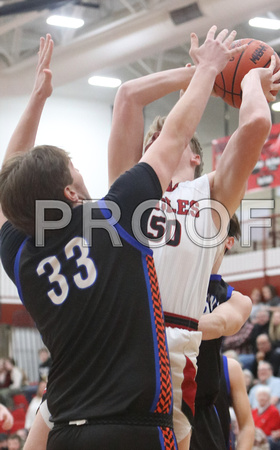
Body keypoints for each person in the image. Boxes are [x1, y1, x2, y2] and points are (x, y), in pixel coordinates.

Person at [0, 28, 246, 450]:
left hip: (66, 429)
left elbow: (9, 184)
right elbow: (173, 135)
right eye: (72, 165)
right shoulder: (115, 218)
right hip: (134, 428)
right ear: (71, 193)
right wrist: (206, 69)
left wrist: (38, 100)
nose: (79, 167)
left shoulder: (19, 255)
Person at [107, 24, 280, 450]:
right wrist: (201, 71)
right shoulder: (130, 186)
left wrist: (251, 81)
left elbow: (257, 121)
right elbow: (129, 95)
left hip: (174, 344)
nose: (156, 140)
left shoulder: (213, 193)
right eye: (153, 136)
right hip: (118, 334)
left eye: (169, 135)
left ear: (195, 154)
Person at [190, 215, 253, 450]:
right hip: (157, 405)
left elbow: (216, 324)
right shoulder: (165, 280)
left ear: (228, 241)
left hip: (201, 415)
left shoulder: (234, 299)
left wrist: (158, 324)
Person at [252, 386, 280, 450]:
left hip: (267, 438)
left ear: (269, 398)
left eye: (264, 396)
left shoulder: (274, 411)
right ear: (257, 398)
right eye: (260, 396)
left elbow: (272, 430)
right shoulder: (253, 412)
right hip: (254, 437)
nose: (262, 398)